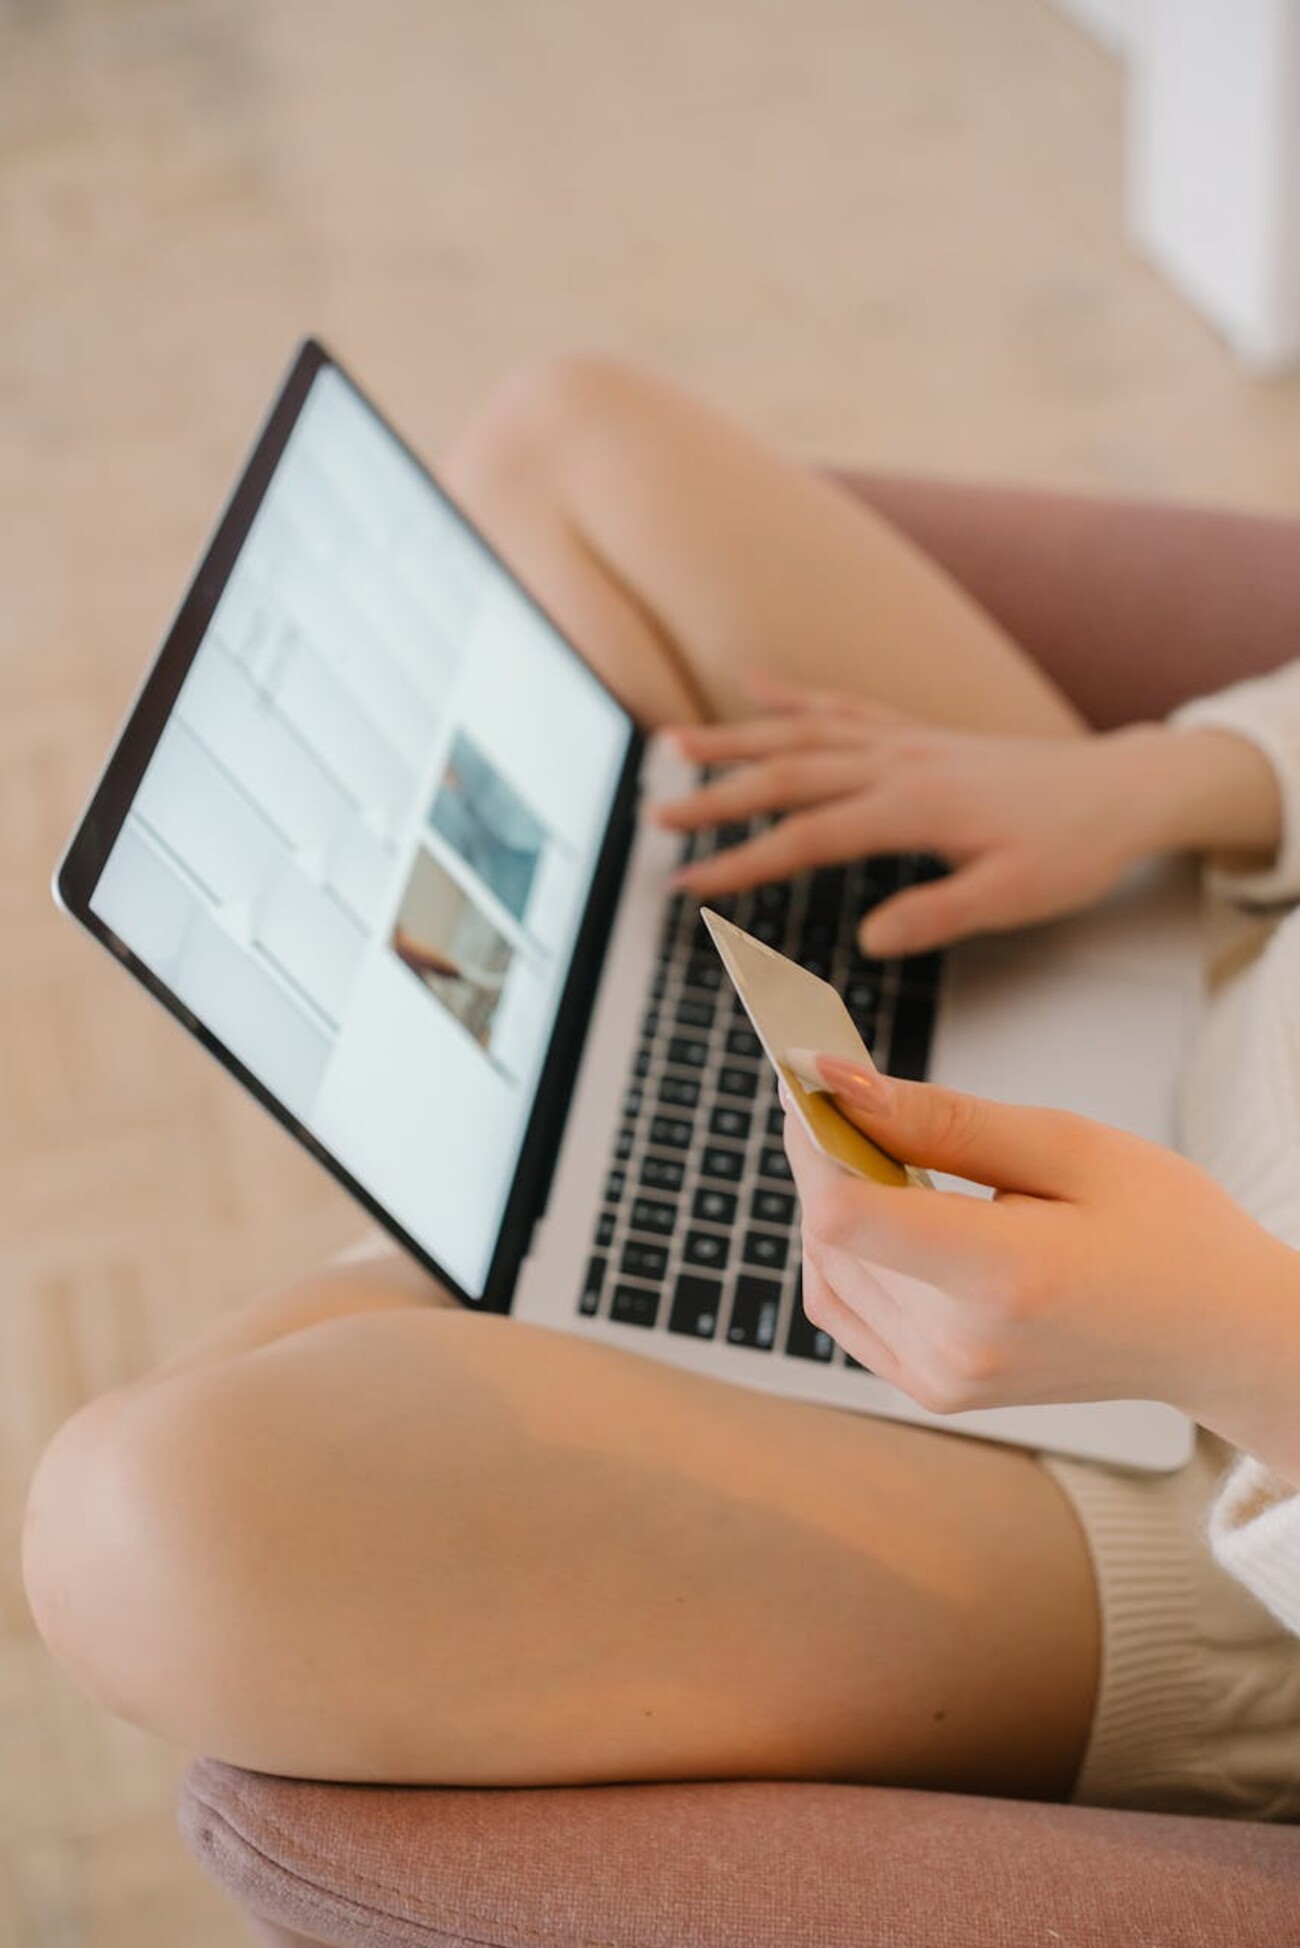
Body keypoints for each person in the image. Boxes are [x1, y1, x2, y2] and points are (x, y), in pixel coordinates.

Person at [21, 356, 1300, 1819]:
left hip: (1210, 1477)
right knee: (561, 454)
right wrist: (1173, 782)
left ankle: (582, 1227)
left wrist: (1236, 1339)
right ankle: (587, 1212)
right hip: (1209, 944)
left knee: (139, 1531)